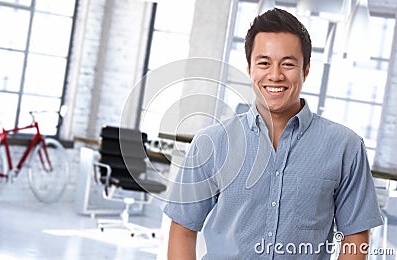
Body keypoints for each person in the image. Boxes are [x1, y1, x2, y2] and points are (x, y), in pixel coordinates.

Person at [164, 8, 383, 259]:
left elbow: (355, 236)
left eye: (288, 64)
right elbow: (182, 227)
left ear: (306, 70)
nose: (275, 75)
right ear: (249, 69)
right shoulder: (211, 143)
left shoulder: (346, 147)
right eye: (264, 63)